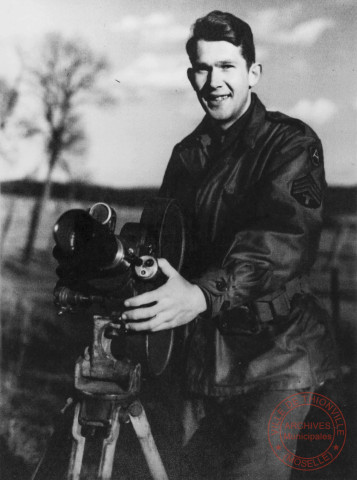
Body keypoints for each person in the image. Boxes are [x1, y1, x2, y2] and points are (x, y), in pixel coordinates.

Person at [122, 10, 339, 479]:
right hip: (199, 360)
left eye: (227, 67)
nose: (214, 81)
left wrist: (202, 294)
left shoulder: (291, 143)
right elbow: (169, 240)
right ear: (190, 75)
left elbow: (281, 241)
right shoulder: (186, 154)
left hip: (276, 357)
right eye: (203, 68)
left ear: (252, 73)